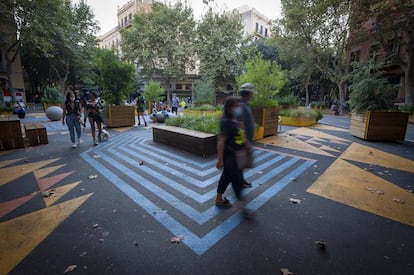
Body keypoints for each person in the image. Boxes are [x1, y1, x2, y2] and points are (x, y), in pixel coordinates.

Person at [215, 96, 250, 211]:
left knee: (227, 176)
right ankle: (241, 202)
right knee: (235, 177)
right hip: (230, 155)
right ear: (230, 107)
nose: (238, 108)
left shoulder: (233, 120)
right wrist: (220, 159)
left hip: (237, 155)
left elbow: (239, 135)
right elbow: (221, 141)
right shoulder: (225, 121)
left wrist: (245, 142)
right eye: (236, 106)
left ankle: (219, 198)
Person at [237, 83, 257, 188]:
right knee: (241, 162)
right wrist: (246, 141)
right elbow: (240, 124)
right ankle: (238, 181)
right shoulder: (242, 105)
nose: (252, 95)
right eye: (251, 93)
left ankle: (240, 179)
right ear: (248, 93)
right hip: (243, 141)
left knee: (243, 163)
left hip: (246, 140)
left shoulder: (246, 104)